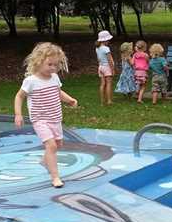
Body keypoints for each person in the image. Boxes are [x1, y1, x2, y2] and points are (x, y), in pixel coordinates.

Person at [13, 42, 79, 188]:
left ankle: (45, 161)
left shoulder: (54, 77)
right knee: (51, 146)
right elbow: (19, 97)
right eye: (50, 64)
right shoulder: (31, 81)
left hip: (55, 118)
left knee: (58, 144)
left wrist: (69, 100)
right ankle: (55, 177)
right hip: (40, 119)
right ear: (38, 61)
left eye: (56, 65)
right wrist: (18, 114)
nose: (53, 68)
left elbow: (58, 92)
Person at [95, 30, 114, 106]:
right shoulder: (106, 49)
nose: (109, 41)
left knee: (102, 84)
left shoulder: (97, 48)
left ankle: (102, 101)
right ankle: (109, 100)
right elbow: (110, 60)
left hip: (101, 67)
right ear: (105, 40)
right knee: (109, 83)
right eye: (108, 40)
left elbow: (98, 59)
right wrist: (112, 69)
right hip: (107, 67)